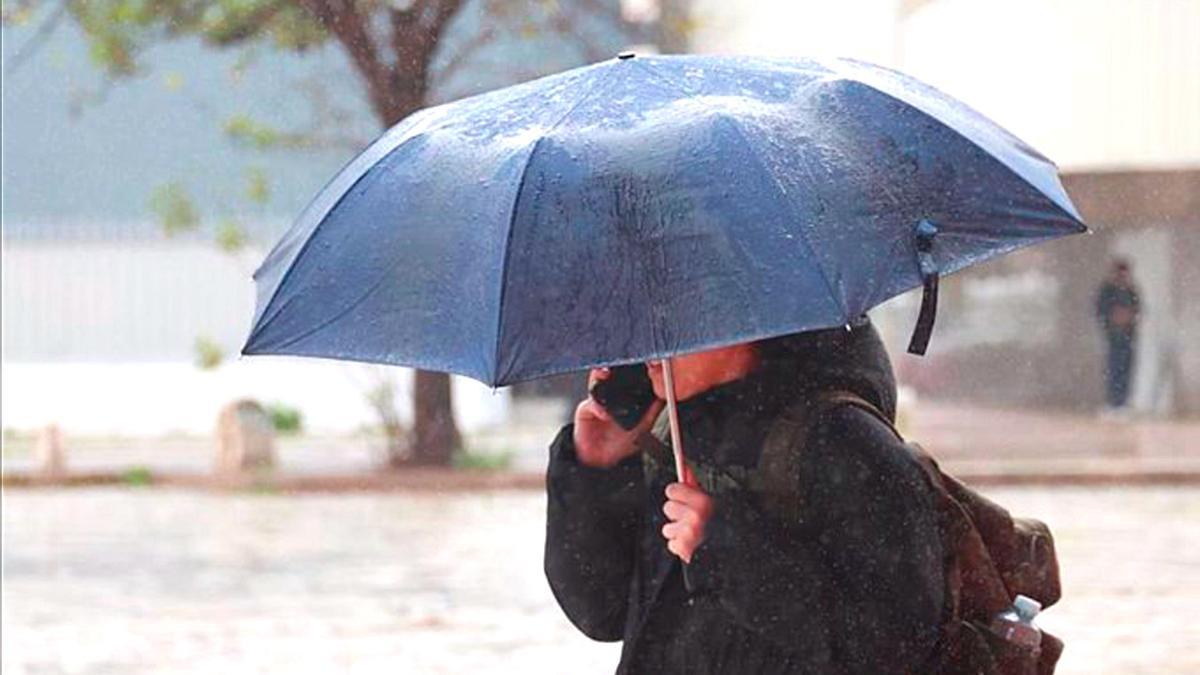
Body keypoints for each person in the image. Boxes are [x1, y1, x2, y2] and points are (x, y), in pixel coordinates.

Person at [543, 320, 946, 674]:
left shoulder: (843, 441)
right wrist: (594, 471)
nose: (650, 340)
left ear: (747, 322)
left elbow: (897, 642)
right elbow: (603, 612)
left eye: (672, 316)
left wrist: (723, 547)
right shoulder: (677, 434)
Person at [1094, 259, 1141, 412]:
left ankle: (1123, 403)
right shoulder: (1107, 290)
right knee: (1113, 368)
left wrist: (1129, 318)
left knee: (1126, 369)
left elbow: (1138, 310)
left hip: (1128, 336)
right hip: (1113, 336)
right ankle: (1113, 402)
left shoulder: (1131, 290)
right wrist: (1112, 319)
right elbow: (1100, 311)